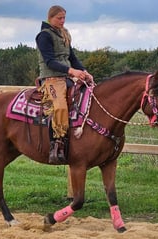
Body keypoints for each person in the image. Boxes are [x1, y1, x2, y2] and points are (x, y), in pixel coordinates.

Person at [35, 5, 94, 164]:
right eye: (59, 18)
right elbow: (50, 61)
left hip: (67, 76)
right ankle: (57, 145)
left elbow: (72, 58)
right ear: (50, 18)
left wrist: (84, 71)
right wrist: (72, 72)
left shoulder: (64, 34)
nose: (62, 21)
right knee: (59, 107)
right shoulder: (44, 36)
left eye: (64, 18)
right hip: (52, 79)